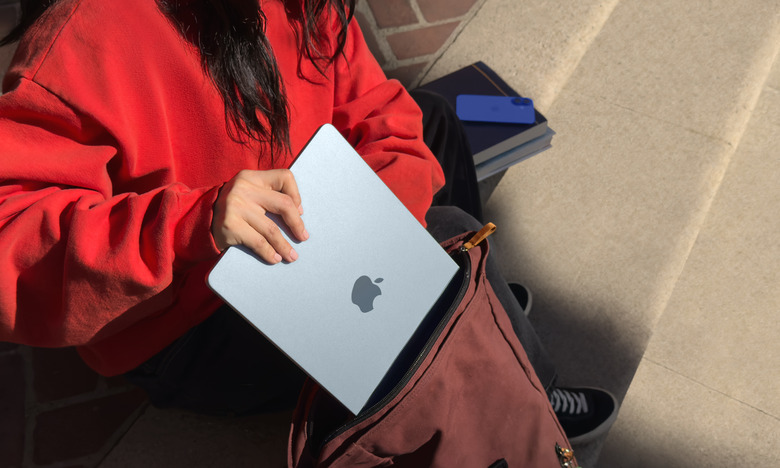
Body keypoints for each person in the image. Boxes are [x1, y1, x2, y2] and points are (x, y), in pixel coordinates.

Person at [0, 0, 615, 445]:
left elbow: (378, 110)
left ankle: (463, 315)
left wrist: (381, 242)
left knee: (436, 126)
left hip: (299, 232)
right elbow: (14, 244)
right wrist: (191, 222)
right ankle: (514, 382)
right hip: (188, 316)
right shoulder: (84, 39)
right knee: (444, 232)